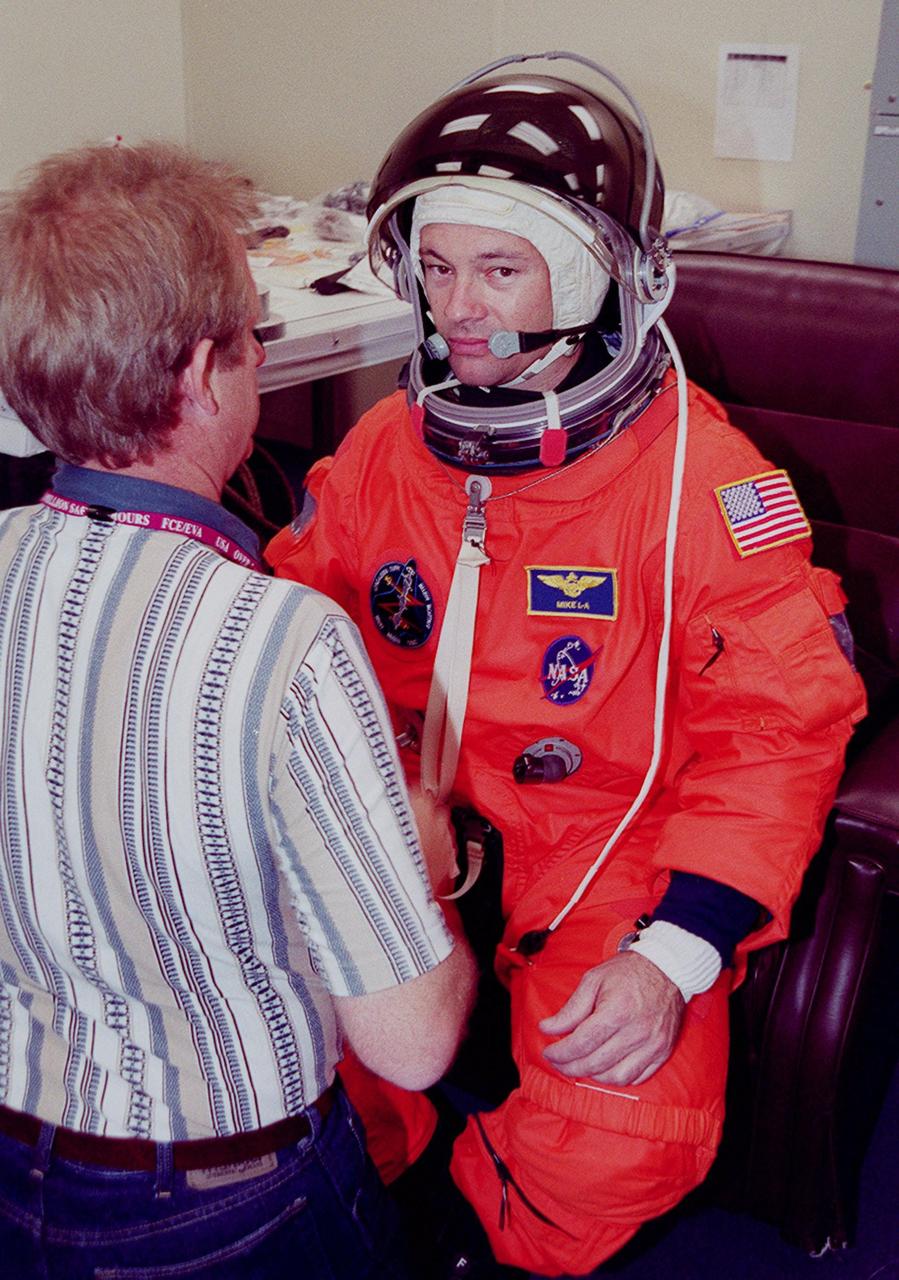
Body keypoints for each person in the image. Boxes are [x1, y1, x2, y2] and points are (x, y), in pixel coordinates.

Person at [266, 53, 867, 1278]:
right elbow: (287, 622)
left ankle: (485, 1237)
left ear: (596, 278)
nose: (459, 312)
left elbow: (777, 734)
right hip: (402, 821)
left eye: (499, 269)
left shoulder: (705, 485)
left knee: (609, 1137)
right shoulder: (388, 448)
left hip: (603, 850)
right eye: (436, 269)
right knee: (299, 1066)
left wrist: (673, 953)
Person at [0, 139, 475, 1280]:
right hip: (227, 1206)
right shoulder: (283, 641)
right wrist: (416, 865)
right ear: (207, 376)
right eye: (256, 339)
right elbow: (412, 1048)